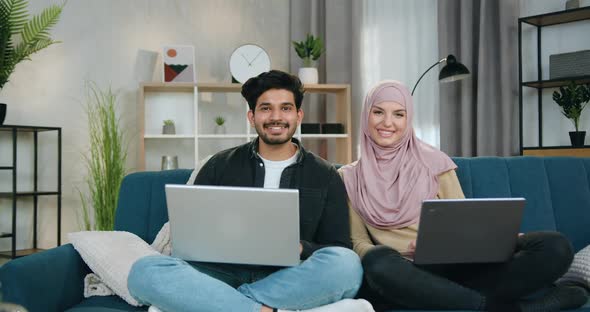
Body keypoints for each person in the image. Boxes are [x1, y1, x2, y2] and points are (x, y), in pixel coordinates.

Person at [127, 70, 373, 312]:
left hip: (289, 276)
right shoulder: (218, 165)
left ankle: (226, 303)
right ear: (251, 116)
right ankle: (262, 309)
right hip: (221, 272)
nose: (276, 117)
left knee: (347, 266)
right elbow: (190, 238)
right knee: (144, 271)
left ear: (298, 115)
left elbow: (338, 247)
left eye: (285, 108)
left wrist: (299, 247)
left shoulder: (325, 174)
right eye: (266, 108)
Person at [340, 80, 589, 312]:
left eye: (398, 114)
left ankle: (468, 302)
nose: (387, 123)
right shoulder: (348, 177)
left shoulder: (435, 162)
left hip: (456, 266)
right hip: (404, 274)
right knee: (376, 263)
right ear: (366, 116)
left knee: (556, 246)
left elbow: (461, 220)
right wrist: (401, 253)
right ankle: (511, 308)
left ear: (408, 119)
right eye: (378, 112)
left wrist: (497, 239)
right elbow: (358, 242)